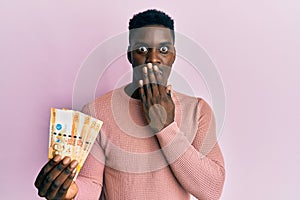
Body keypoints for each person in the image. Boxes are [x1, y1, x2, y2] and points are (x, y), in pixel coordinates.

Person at [35, 9, 225, 200]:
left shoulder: (197, 110)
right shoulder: (97, 111)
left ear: (173, 56)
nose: (153, 59)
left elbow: (212, 189)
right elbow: (91, 183)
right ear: (130, 55)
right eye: (142, 49)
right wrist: (72, 192)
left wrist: (165, 128)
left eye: (164, 50)